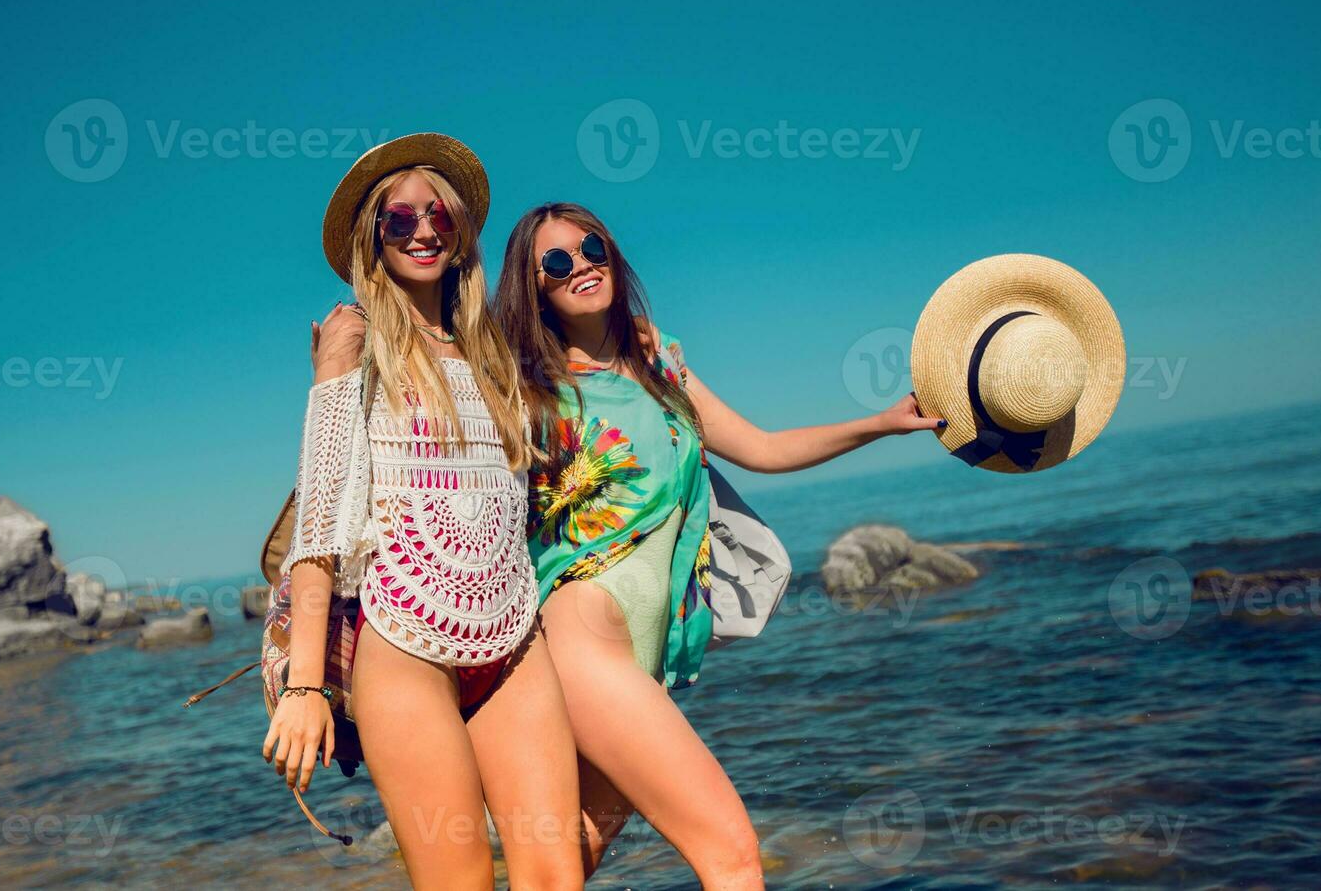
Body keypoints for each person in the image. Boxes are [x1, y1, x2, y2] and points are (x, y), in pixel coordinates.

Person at [493, 202, 943, 887]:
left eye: (591, 246)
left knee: (568, 859)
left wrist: (881, 423)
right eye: (556, 262)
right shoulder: (529, 392)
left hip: (641, 650)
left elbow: (761, 447)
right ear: (534, 291)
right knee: (731, 852)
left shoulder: (659, 364)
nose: (580, 264)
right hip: (584, 632)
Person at [266, 136, 584, 890]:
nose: (422, 229)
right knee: (460, 878)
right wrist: (307, 687)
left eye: (437, 211)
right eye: (397, 217)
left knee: (554, 876)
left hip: (513, 642)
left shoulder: (495, 351)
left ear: (462, 226)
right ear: (371, 237)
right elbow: (321, 526)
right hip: (404, 647)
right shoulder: (355, 339)